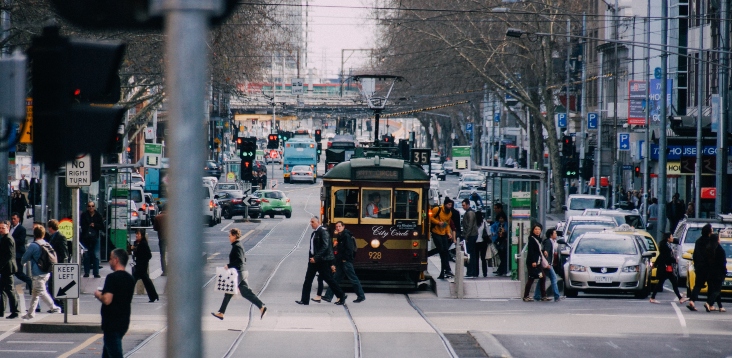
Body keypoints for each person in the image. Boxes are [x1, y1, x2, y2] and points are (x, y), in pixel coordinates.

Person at [212, 228, 267, 320]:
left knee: (229, 292)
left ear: (234, 236)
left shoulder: (237, 246)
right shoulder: (238, 245)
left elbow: (240, 260)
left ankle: (221, 313)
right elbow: (243, 259)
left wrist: (228, 265)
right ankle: (261, 307)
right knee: (245, 293)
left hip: (239, 273)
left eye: (230, 236)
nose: (229, 237)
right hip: (242, 272)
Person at [296, 217, 347, 305]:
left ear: (318, 222)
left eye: (313, 222)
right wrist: (312, 258)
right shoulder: (314, 233)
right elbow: (312, 248)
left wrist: (316, 258)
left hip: (322, 260)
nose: (311, 223)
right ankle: (304, 300)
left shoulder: (323, 232)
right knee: (308, 279)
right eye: (310, 222)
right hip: (313, 260)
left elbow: (325, 246)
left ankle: (341, 296)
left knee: (329, 279)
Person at [94, 249, 135, 358]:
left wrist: (98, 294)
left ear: (116, 260)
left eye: (111, 258)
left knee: (115, 353)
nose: (109, 261)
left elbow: (107, 299)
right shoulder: (130, 279)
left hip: (111, 322)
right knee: (108, 353)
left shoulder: (112, 278)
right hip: (124, 321)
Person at [20, 225, 61, 319]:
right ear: (43, 234)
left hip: (37, 273)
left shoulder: (33, 245)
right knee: (35, 293)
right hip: (46, 271)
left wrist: (24, 262)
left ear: (34, 234)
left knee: (41, 292)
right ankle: (30, 313)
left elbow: (24, 258)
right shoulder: (46, 244)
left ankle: (54, 307)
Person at [322, 221, 365, 303]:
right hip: (342, 262)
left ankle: (361, 296)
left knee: (353, 279)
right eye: (336, 226)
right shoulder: (340, 236)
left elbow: (348, 250)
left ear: (343, 227)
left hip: (346, 262)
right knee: (335, 279)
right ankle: (328, 296)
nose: (338, 228)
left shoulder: (346, 236)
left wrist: (345, 258)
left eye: (339, 226)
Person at [650, 233, 688, 304]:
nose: (672, 238)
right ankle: (680, 298)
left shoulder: (665, 245)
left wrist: (655, 264)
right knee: (670, 282)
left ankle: (680, 298)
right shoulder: (665, 247)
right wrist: (674, 260)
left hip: (665, 267)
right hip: (666, 268)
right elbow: (666, 258)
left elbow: (660, 256)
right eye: (671, 237)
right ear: (668, 238)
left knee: (668, 282)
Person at [687, 224, 712, 311]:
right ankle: (709, 303)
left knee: (698, 285)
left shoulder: (698, 241)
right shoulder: (710, 241)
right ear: (709, 232)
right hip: (709, 267)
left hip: (699, 267)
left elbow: (695, 255)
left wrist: (696, 265)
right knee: (711, 285)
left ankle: (692, 301)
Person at [130, 229, 159, 303]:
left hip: (142, 266)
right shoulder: (136, 243)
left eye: (138, 234)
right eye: (136, 234)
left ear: (142, 235)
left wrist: (143, 260)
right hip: (138, 265)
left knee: (133, 281)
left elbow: (149, 255)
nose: (137, 235)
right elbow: (135, 253)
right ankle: (153, 296)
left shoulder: (143, 244)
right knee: (146, 281)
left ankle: (127, 296)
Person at [429, 197, 454, 279]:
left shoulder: (449, 213)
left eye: (451, 205)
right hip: (435, 232)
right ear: (445, 204)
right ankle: (447, 270)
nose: (450, 206)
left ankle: (445, 271)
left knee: (445, 251)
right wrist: (438, 223)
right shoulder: (437, 209)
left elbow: (447, 223)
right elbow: (430, 218)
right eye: (449, 204)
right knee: (442, 250)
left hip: (443, 233)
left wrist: (448, 233)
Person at [47, 219, 69, 309]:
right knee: (52, 286)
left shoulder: (60, 237)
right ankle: (56, 305)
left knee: (56, 286)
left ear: (51, 228)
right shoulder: (53, 236)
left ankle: (61, 306)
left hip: (58, 265)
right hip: (54, 265)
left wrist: (61, 265)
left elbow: (64, 253)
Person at [0, 221, 20, 319]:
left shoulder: (8, 239)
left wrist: (1, 266)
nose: (1, 230)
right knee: (2, 290)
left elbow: (8, 255)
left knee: (10, 290)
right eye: (0, 228)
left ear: (8, 228)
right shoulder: (4, 238)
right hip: (5, 268)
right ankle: (1, 311)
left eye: (3, 228)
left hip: (8, 268)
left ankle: (15, 311)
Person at [536, 228, 561, 302]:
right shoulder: (548, 242)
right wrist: (547, 262)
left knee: (542, 279)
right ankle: (557, 296)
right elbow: (545, 252)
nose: (556, 234)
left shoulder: (552, 242)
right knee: (554, 278)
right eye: (555, 233)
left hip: (548, 264)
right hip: (548, 264)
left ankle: (537, 295)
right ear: (551, 235)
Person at [703, 234, 727, 312]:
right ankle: (709, 302)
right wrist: (724, 272)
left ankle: (720, 306)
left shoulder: (708, 248)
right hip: (718, 273)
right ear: (717, 240)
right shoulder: (720, 250)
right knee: (717, 290)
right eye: (719, 238)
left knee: (714, 289)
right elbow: (723, 263)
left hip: (709, 272)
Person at [81, 201, 104, 278]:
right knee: (86, 255)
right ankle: (86, 272)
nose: (91, 208)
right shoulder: (84, 215)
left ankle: (96, 272)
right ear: (87, 207)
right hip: (86, 238)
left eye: (92, 206)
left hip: (95, 237)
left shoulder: (98, 215)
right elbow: (82, 225)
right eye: (89, 206)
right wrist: (88, 226)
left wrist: (95, 225)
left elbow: (102, 226)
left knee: (96, 255)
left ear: (94, 207)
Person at [9, 213, 32, 293]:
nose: (13, 220)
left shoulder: (21, 229)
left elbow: (21, 241)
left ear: (18, 219)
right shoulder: (10, 228)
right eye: (12, 219)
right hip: (11, 255)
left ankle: (30, 282)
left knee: (18, 273)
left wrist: (10, 240)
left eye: (14, 219)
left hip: (18, 254)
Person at [523, 223, 545, 302]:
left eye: (539, 229)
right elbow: (531, 251)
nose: (537, 231)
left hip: (538, 262)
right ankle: (526, 296)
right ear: (533, 230)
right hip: (532, 262)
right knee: (531, 279)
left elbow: (539, 250)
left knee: (542, 277)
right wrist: (533, 261)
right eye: (536, 229)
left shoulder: (539, 239)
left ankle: (543, 295)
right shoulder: (532, 239)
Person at [461, 199, 479, 279]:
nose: (463, 207)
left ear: (468, 205)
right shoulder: (468, 212)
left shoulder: (470, 213)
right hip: (471, 235)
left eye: (464, 205)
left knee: (470, 254)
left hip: (471, 235)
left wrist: (466, 237)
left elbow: (470, 226)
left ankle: (471, 271)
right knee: (470, 253)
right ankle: (471, 271)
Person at [475, 212, 492, 277]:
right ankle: (485, 273)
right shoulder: (484, 222)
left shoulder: (474, 223)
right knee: (483, 259)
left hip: (476, 242)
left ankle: (476, 273)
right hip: (483, 242)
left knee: (476, 258)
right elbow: (488, 232)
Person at [152, 209, 167, 276]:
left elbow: (155, 228)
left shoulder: (158, 217)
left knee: (162, 255)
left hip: (162, 238)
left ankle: (165, 271)